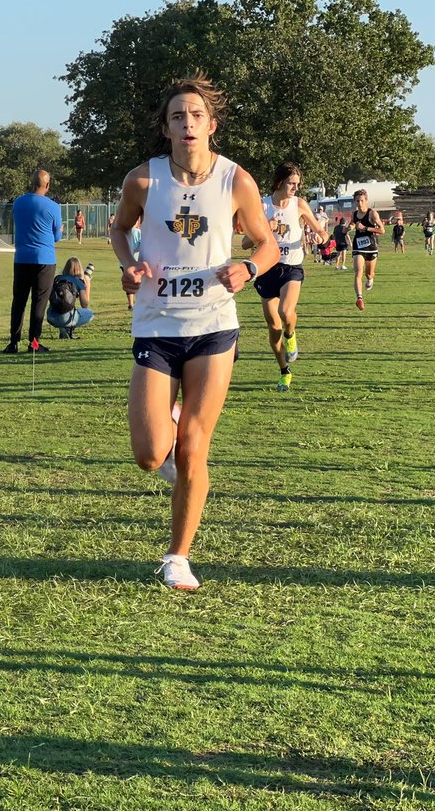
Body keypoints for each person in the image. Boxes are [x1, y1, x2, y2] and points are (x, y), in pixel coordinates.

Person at [110, 72, 277, 591]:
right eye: (178, 116)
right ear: (166, 127)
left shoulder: (236, 181)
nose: (188, 124)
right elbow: (119, 229)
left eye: (197, 116)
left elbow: (267, 244)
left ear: (212, 124)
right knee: (148, 454)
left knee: (194, 448)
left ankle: (177, 556)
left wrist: (248, 269)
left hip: (213, 326)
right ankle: (171, 422)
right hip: (156, 327)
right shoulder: (143, 180)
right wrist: (129, 264)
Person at [245, 161, 327, 391]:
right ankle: (284, 371)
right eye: (292, 183)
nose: (295, 188)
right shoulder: (261, 205)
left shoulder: (299, 204)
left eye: (297, 184)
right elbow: (245, 243)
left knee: (285, 312)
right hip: (266, 268)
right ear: (280, 181)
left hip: (292, 267)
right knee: (273, 327)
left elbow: (319, 229)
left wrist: (322, 236)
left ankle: (291, 335)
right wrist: (264, 228)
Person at [3, 169, 62, 353]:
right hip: (44, 259)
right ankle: (34, 343)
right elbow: (57, 236)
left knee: (19, 300)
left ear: (32, 182)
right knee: (39, 301)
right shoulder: (53, 207)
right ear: (47, 185)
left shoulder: (18, 202)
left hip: (21, 258)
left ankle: (14, 342)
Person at [350, 190, 384, 310]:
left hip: (371, 247)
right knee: (358, 272)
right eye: (357, 201)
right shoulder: (354, 213)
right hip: (358, 246)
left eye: (362, 200)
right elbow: (352, 224)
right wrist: (349, 227)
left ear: (366, 201)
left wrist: (366, 228)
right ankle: (359, 298)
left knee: (369, 274)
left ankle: (370, 280)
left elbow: (382, 230)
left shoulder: (372, 213)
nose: (359, 203)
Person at [45, 256, 94, 338]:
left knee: (62, 307)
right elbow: (84, 305)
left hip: (51, 316)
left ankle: (63, 328)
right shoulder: (78, 282)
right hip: (66, 318)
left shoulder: (57, 279)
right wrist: (87, 284)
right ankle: (68, 328)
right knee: (90, 314)